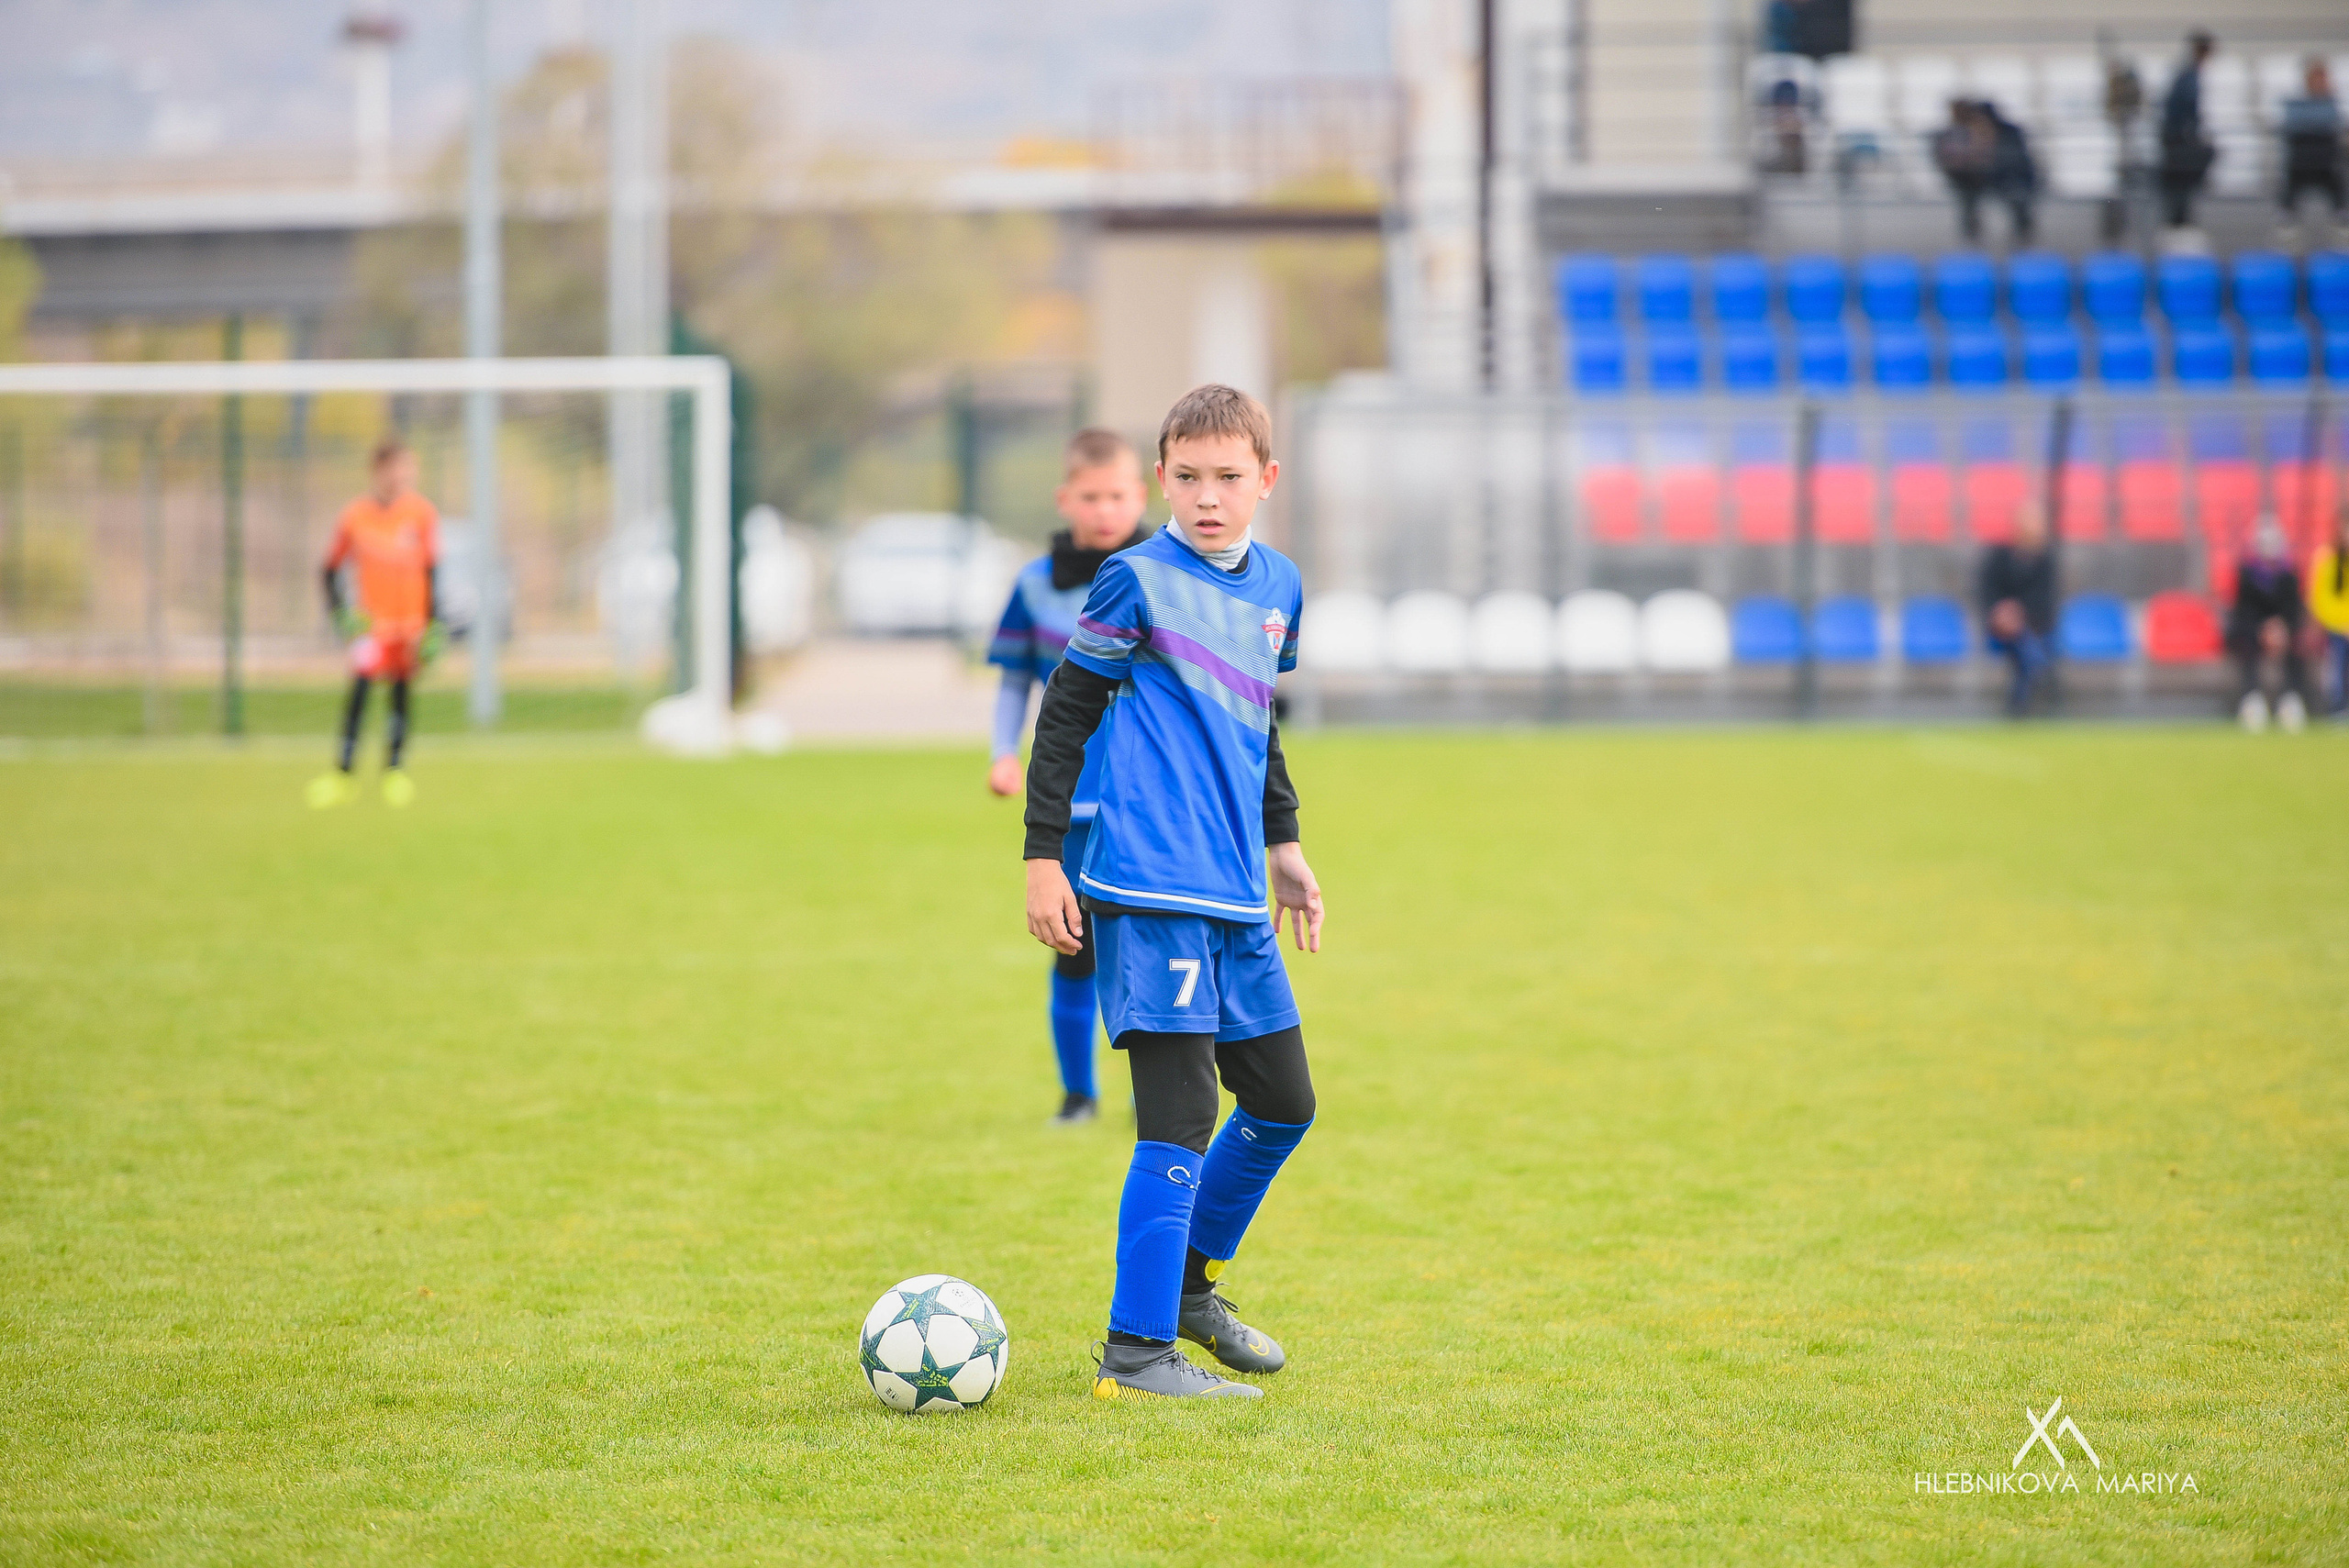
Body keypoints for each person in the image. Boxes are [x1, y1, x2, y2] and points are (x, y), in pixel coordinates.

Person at [1022, 384, 1322, 1401]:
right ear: (1162, 479)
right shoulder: (1131, 582)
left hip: (1237, 888)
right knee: (1181, 1113)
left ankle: (1190, 1291)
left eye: (1228, 478)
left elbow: (1256, 723)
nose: (1206, 497)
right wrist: (1041, 854)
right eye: (1187, 477)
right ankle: (1137, 1350)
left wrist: (1283, 842)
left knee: (1283, 1101)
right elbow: (1065, 713)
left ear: (1265, 482)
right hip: (1148, 885)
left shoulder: (1279, 582)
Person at [985, 428, 1151, 1125]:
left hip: (1147, 803)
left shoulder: (1159, 573)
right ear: (1066, 499)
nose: (1105, 509)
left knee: (1152, 950)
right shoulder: (1034, 584)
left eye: (1118, 495)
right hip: (1070, 808)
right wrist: (1001, 751)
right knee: (1075, 951)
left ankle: (1163, 1098)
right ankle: (1078, 1094)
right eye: (1091, 496)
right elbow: (1015, 680)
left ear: (1141, 496)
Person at [307, 439, 442, 807]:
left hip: (410, 627)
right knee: (360, 694)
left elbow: (433, 572)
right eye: (395, 469)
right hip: (372, 627)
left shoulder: (421, 514)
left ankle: (395, 772)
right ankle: (343, 774)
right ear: (378, 471)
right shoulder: (356, 516)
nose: (402, 477)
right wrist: (340, 614)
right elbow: (329, 569)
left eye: (407, 469)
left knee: (400, 696)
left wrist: (435, 623)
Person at [2229, 515, 2311, 732]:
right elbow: (2243, 610)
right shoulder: (2247, 574)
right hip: (2254, 630)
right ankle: (2252, 699)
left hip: (2284, 630)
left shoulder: (2290, 575)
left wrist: (2282, 628)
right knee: (2245, 645)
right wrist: (2262, 630)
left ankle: (2291, 699)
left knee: (2298, 647)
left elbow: (2293, 610)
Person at [1977, 499, 2057, 717]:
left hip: (2035, 627)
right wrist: (2001, 614)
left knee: (2030, 650)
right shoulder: (2000, 557)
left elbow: (2044, 600)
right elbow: (1987, 592)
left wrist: (2020, 614)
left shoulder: (2045, 561)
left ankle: (2018, 705)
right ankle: (2021, 704)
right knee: (2029, 654)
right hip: (2001, 631)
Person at [2158, 31, 2218, 237]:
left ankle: (2179, 222)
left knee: (2183, 183)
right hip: (2178, 140)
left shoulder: (2187, 73)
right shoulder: (2187, 75)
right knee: (2182, 181)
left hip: (2177, 138)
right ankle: (2177, 223)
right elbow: (2187, 112)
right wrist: (2192, 136)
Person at [2277, 56, 2344, 237]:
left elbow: (2330, 122)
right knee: (2290, 181)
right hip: (2301, 158)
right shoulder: (2295, 103)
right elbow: (2293, 124)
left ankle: (2341, 218)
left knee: (2338, 177)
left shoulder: (2331, 102)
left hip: (2326, 160)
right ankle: (2287, 220)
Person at [2308, 505, 2349, 717]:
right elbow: (2319, 598)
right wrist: (2339, 624)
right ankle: (2338, 707)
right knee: (2337, 664)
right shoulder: (2326, 558)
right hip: (2334, 627)